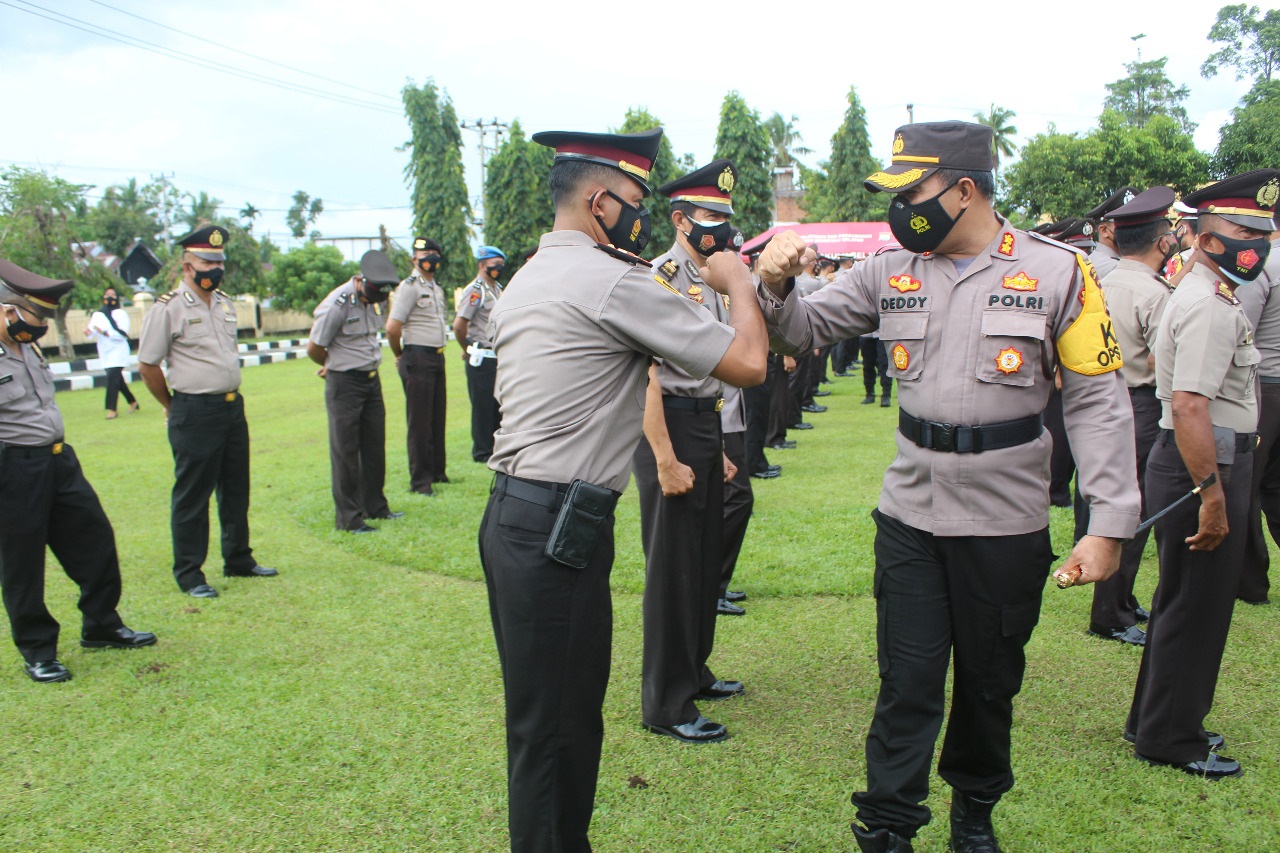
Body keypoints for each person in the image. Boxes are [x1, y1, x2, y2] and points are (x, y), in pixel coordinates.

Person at [752, 121, 1140, 853]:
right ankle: (889, 825)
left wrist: (1108, 521)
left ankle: (974, 812)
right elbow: (801, 331)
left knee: (990, 683)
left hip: (1007, 517)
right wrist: (774, 283)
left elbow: (1096, 399)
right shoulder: (889, 270)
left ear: (965, 190)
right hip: (911, 513)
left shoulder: (1060, 273)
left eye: (912, 192)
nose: (901, 208)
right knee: (907, 679)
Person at [479, 127, 767, 852]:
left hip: (519, 516)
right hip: (557, 527)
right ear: (600, 200)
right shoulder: (612, 278)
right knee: (558, 733)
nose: (642, 214)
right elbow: (749, 364)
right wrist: (737, 284)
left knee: (549, 724)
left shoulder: (533, 272)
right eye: (636, 200)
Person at [1125, 169, 1279, 779]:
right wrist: (1213, 496)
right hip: (1204, 464)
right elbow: (1190, 404)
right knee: (1198, 607)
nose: (1257, 243)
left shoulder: (1206, 291)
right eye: (1244, 230)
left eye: (1263, 232)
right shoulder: (1209, 304)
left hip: (1201, 460)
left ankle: (1155, 720)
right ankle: (1172, 737)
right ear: (1205, 237)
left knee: (1181, 601)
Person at [633, 159, 749, 745]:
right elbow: (646, 376)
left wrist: (718, 446)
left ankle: (695, 671)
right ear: (680, 220)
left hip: (703, 426)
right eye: (711, 218)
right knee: (673, 571)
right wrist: (663, 456)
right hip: (668, 428)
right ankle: (665, 702)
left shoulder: (709, 278)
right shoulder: (659, 278)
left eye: (727, 219)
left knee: (702, 563)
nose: (723, 230)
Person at [0, 259, 156, 683]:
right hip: (13, 466)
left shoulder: (25, 345)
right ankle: (37, 650)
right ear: (7, 309)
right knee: (22, 562)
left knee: (95, 538)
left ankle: (101, 625)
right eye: (37, 316)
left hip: (58, 459)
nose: (43, 326)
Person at [137, 226, 277, 599]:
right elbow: (148, 364)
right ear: (186, 265)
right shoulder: (168, 308)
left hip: (231, 407)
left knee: (236, 489)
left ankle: (238, 558)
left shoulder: (225, 303)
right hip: (193, 409)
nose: (214, 268)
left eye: (219, 262)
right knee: (193, 496)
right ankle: (189, 573)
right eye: (206, 261)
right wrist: (171, 405)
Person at [1069, 188, 1177, 645]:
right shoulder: (1154, 293)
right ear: (1163, 242)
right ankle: (1110, 613)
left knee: (1113, 502)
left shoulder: (1101, 279)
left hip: (1105, 400)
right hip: (1141, 404)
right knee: (1131, 511)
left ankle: (1122, 601)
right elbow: (1164, 361)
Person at [306, 251, 404, 534]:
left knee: (374, 446)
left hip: (371, 381)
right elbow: (315, 347)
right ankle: (349, 518)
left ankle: (376, 505)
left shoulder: (373, 299)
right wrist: (331, 366)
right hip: (345, 384)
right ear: (361, 280)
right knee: (345, 451)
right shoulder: (337, 304)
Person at [386, 237, 449, 496]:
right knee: (420, 422)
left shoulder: (436, 288)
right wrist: (400, 354)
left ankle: (437, 471)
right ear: (415, 259)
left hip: (437, 356)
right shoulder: (409, 287)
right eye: (425, 254)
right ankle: (420, 481)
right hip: (417, 357)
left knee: (437, 417)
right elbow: (392, 328)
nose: (431, 259)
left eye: (435, 254)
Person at [1237, 240, 1280, 604]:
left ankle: (1250, 583)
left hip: (1265, 386)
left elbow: (1242, 329)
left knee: (1247, 485)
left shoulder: (1263, 265)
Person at [453, 246, 505, 463]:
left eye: (501, 265)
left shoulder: (498, 289)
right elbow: (459, 325)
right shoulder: (476, 291)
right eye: (495, 265)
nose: (498, 269)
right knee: (482, 406)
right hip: (481, 356)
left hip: (496, 357)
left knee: (497, 406)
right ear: (482, 265)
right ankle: (482, 452)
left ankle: (494, 448)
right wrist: (466, 347)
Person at [84, 287, 138, 419]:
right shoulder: (98, 314)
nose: (110, 297)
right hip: (105, 351)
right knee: (117, 380)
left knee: (111, 379)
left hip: (118, 350)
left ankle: (112, 409)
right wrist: (89, 332)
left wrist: (105, 333)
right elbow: (92, 330)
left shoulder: (121, 314)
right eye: (107, 294)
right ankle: (132, 401)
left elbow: (122, 334)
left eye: (113, 295)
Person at [1084, 187, 1140, 279]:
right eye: (1125, 225)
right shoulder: (1112, 268)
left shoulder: (1097, 259)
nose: (1134, 230)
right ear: (1104, 231)